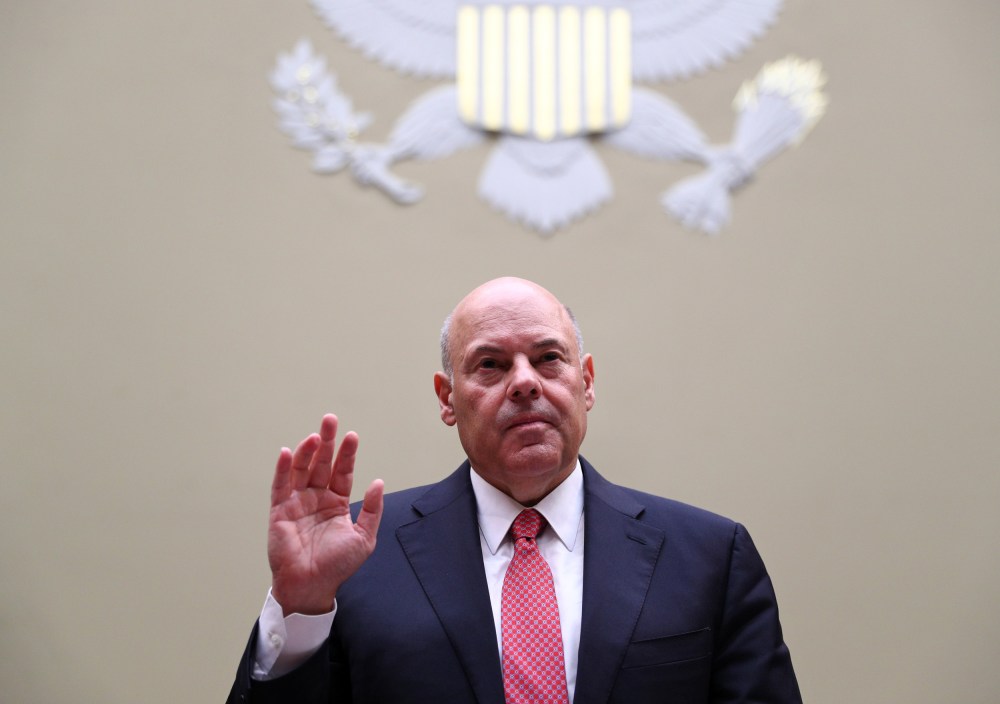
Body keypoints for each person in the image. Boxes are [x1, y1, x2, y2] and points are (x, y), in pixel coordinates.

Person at [227, 277, 801, 703]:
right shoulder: (355, 558)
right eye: (492, 365)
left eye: (548, 358)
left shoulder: (708, 556)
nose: (525, 382)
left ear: (587, 382)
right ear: (447, 398)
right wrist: (300, 609)